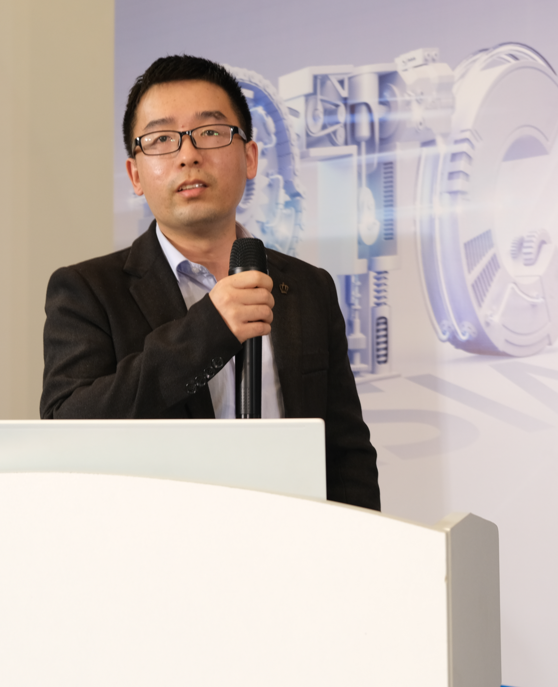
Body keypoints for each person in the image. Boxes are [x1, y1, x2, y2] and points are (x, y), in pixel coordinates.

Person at [40, 55, 380, 511]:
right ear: (136, 175)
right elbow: (68, 427)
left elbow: (345, 454)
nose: (188, 155)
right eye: (162, 139)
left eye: (211, 132)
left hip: (291, 539)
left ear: (250, 157)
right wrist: (210, 329)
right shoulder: (87, 290)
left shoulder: (308, 288)